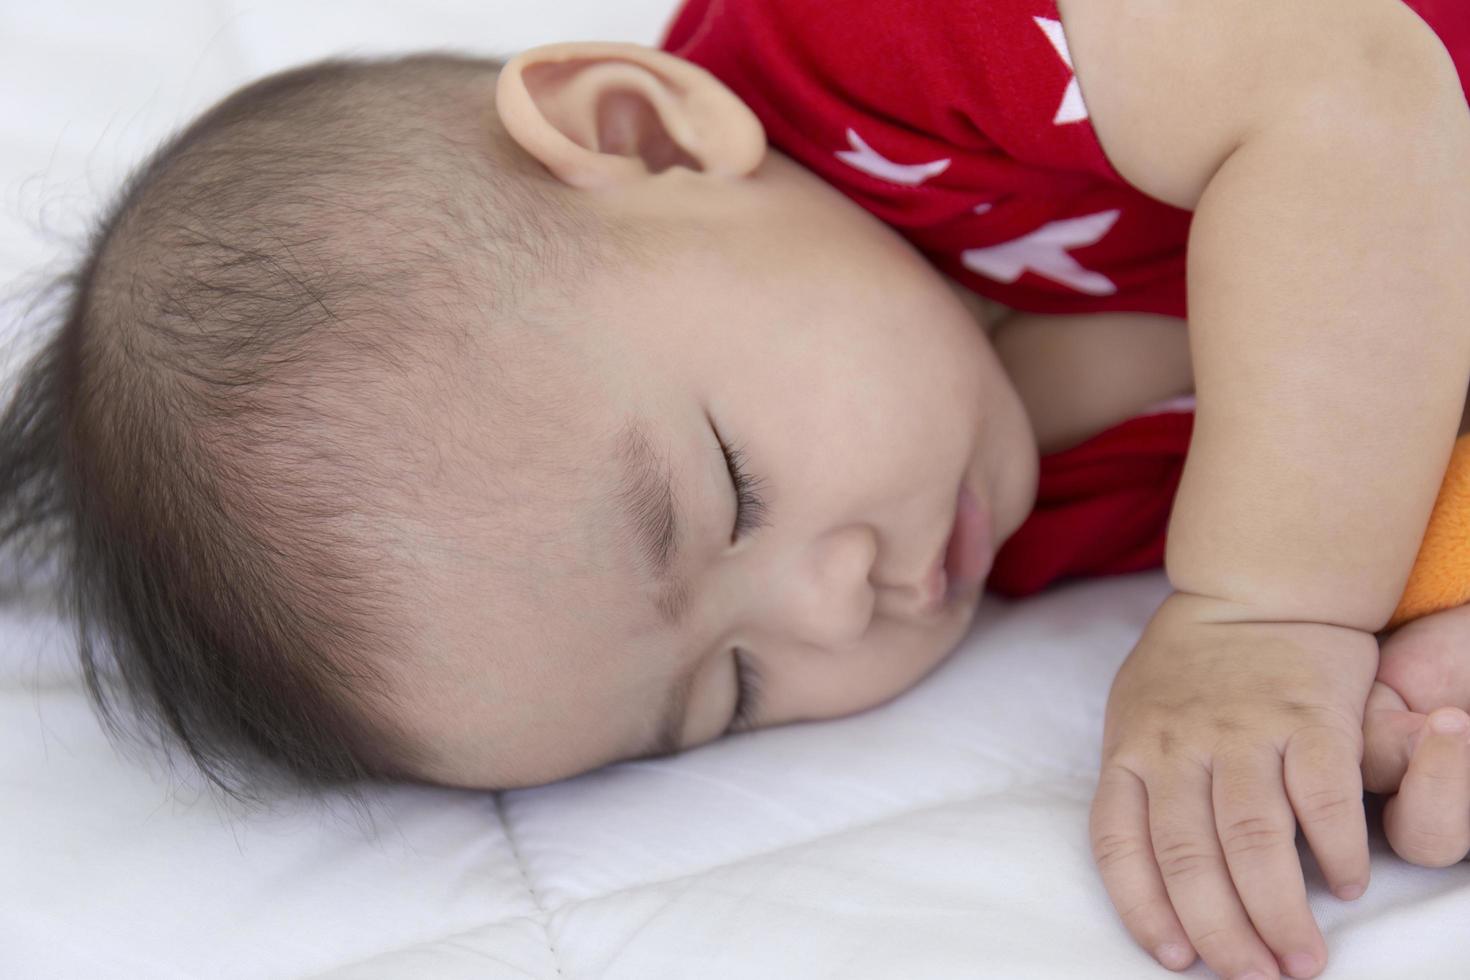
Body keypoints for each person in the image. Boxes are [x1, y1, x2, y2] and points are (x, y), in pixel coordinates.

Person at [0, 2, 1464, 978]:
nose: (840, 608)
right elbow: (1394, 418)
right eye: (733, 688)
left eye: (730, 492)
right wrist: (1412, 649)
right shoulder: (1028, 523)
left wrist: (1270, 606)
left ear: (642, 135)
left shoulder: (872, 51)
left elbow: (1354, 98)